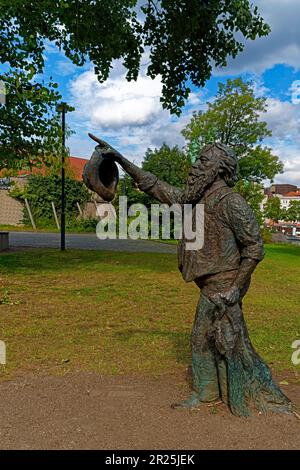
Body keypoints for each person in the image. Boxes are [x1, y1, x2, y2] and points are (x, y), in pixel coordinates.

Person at [86, 137, 292, 417]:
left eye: (203, 161)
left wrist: (235, 288)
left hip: (222, 285)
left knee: (209, 339)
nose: (195, 166)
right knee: (217, 341)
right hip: (212, 285)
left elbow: (254, 248)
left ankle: (218, 394)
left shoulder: (231, 202)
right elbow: (156, 186)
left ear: (219, 169)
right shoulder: (196, 198)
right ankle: (216, 392)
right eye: (197, 160)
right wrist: (120, 159)